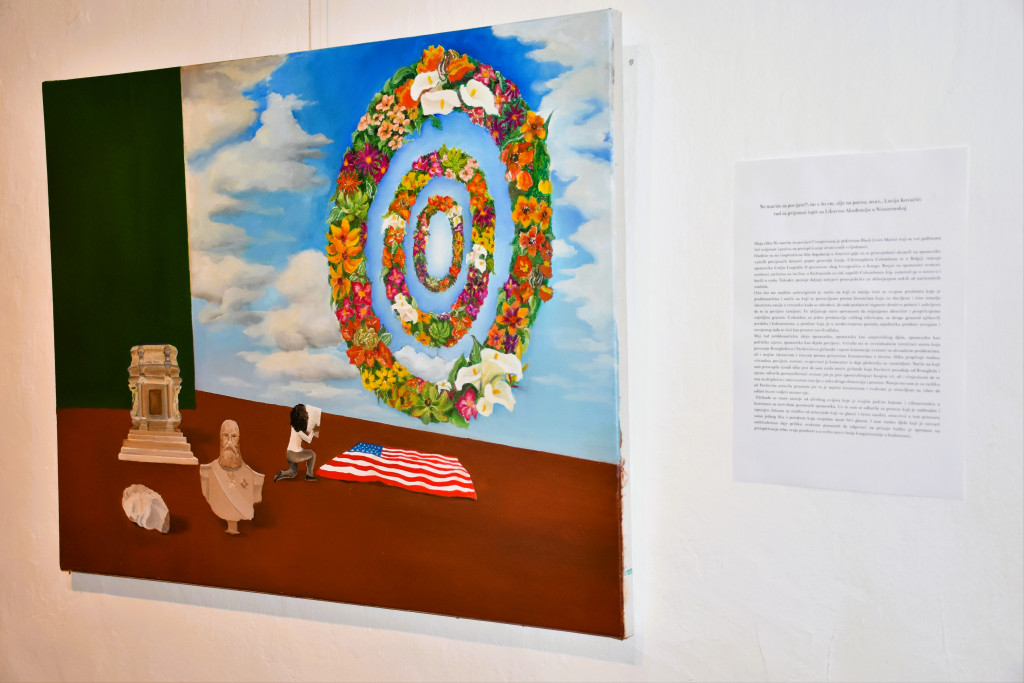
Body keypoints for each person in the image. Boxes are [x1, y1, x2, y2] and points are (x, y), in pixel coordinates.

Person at [199, 420, 264, 535]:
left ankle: (233, 525)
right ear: (220, 438)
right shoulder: (209, 472)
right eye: (225, 435)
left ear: (239, 439)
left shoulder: (250, 476)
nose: (229, 441)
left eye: (234, 436)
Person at [274, 404, 321, 482]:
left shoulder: (293, 427)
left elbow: (304, 432)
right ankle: (309, 475)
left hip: (289, 454)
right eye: (305, 411)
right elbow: (309, 440)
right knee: (312, 454)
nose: (307, 413)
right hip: (295, 455)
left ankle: (282, 473)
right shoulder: (298, 431)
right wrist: (314, 429)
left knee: (293, 472)